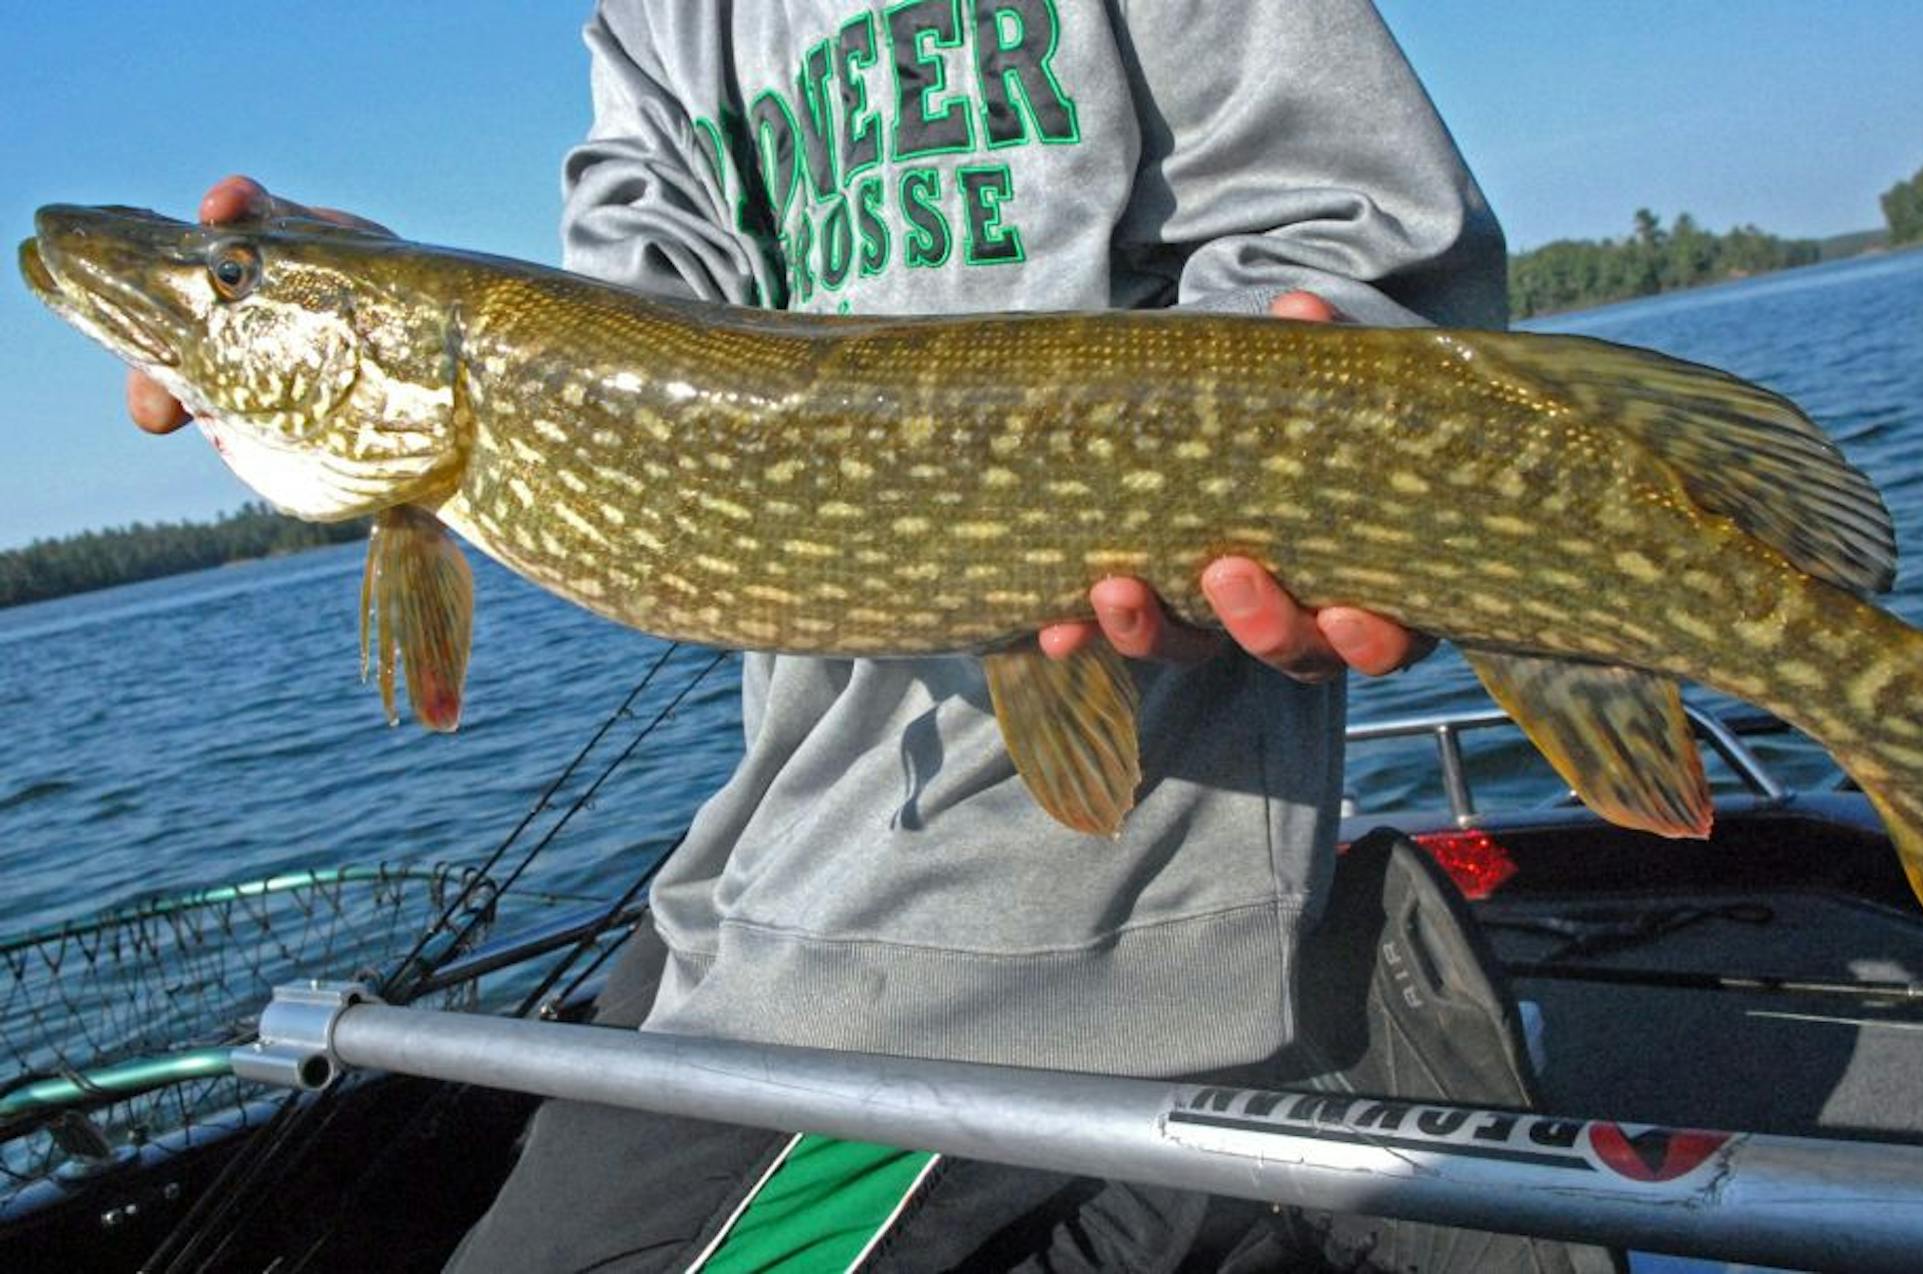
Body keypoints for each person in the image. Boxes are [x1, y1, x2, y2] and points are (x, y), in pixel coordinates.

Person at [131, 4, 1610, 1269]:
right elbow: (638, 333)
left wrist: (1315, 404)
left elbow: (1358, 237)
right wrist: (376, 295)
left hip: (1061, 943)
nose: (202, 302)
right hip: (763, 883)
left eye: (225, 291)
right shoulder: (662, 21)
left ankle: (1279, 1104)